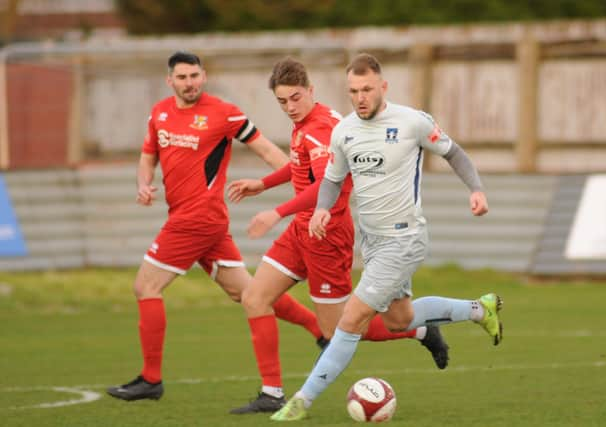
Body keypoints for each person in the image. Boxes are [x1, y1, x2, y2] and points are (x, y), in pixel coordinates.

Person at [270, 53, 504, 421]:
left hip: (405, 239)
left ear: (382, 87)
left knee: (351, 319)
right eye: (353, 91)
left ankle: (301, 400)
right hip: (372, 241)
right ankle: (479, 309)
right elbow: (331, 179)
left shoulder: (412, 122)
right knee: (399, 320)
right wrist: (320, 209)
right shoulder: (344, 130)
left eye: (366, 89)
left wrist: (476, 189)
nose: (360, 97)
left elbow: (454, 153)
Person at [226, 57, 449, 415]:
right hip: (301, 231)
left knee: (343, 330)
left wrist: (275, 211)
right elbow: (300, 167)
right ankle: (271, 393)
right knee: (254, 297)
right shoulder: (305, 124)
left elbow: (325, 186)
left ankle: (420, 331)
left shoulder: (325, 129)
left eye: (295, 98)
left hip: (327, 236)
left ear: (311, 91)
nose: (290, 107)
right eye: (282, 102)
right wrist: (262, 184)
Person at [106, 51, 326, 401]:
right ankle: (319, 330)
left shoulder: (225, 112)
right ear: (170, 81)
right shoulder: (159, 114)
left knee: (145, 286)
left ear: (203, 76)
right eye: (182, 78)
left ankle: (151, 379)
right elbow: (148, 156)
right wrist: (143, 184)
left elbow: (269, 151)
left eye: (194, 76)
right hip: (194, 221)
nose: (189, 83)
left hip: (197, 218)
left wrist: (305, 186)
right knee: (249, 293)